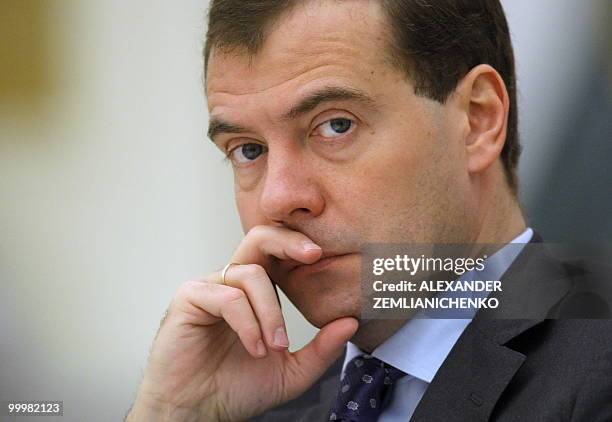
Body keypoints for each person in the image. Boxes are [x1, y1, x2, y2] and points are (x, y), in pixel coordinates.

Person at [126, 1, 612, 420]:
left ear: (477, 120)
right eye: (248, 151)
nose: (278, 199)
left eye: (336, 125)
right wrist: (168, 413)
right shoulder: (241, 408)